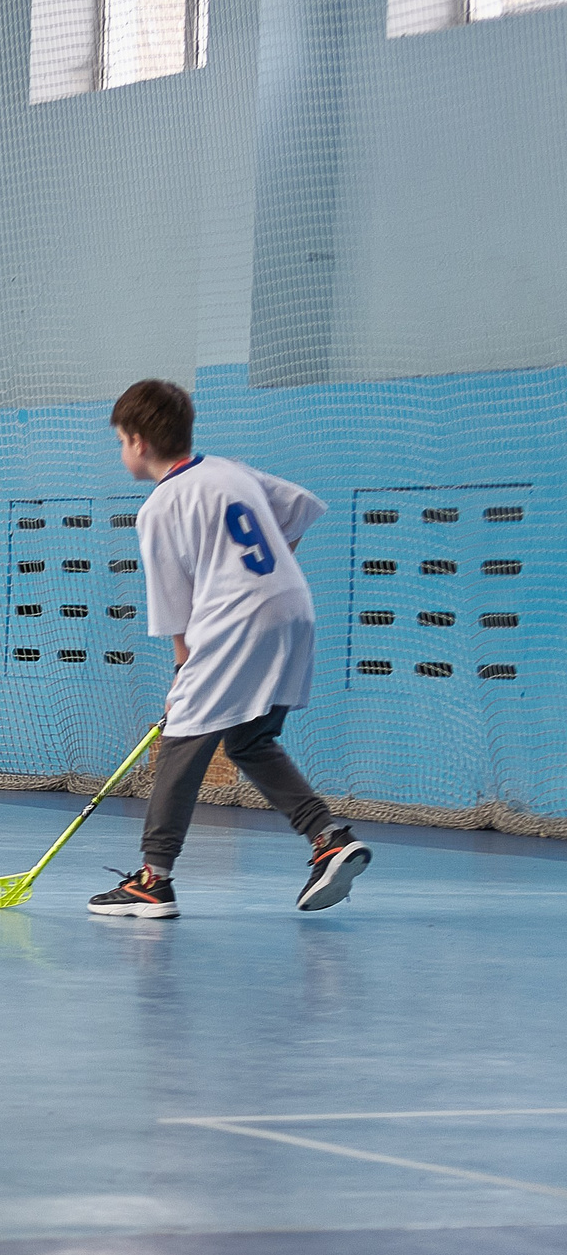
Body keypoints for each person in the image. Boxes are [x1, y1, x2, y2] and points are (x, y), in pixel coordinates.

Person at [89, 380, 371, 918]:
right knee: (250, 738)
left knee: (182, 735)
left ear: (139, 442)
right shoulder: (231, 471)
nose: (120, 450)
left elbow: (174, 609)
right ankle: (328, 838)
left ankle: (153, 879)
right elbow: (300, 509)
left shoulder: (159, 507)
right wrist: (259, 581)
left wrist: (182, 677)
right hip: (293, 608)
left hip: (236, 621)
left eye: (121, 440)